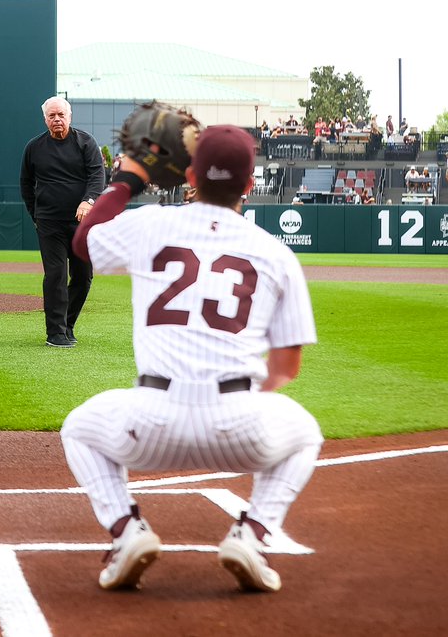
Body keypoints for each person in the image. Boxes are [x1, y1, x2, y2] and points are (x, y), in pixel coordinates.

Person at [62, 125, 323, 593]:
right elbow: (287, 368)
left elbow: (83, 243)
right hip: (240, 430)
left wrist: (129, 178)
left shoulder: (150, 225)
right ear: (250, 184)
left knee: (79, 428)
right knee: (306, 434)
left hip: (150, 424)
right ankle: (254, 533)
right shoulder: (276, 253)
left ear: (190, 177)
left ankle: (126, 532)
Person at [19, 96, 106, 347]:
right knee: (56, 275)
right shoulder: (34, 148)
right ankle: (55, 332)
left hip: (82, 223)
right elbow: (26, 184)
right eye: (52, 116)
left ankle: (67, 324)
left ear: (69, 116)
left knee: (83, 275)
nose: (57, 119)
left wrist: (88, 201)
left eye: (61, 115)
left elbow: (97, 175)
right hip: (49, 223)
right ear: (45, 119)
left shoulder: (86, 142)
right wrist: (36, 214)